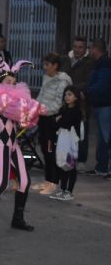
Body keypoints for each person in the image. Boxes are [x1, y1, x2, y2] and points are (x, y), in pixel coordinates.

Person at [0, 58, 45, 233]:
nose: (11, 85)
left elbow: (21, 118)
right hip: (3, 145)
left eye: (14, 83)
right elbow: (17, 112)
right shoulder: (0, 99)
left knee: (25, 182)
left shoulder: (13, 100)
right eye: (7, 82)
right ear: (0, 83)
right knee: (2, 184)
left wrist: (29, 116)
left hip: (13, 145)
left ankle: (17, 219)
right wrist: (31, 111)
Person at [33, 53, 72, 194]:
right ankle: (47, 180)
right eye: (44, 64)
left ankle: (54, 182)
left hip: (52, 120)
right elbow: (41, 95)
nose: (45, 68)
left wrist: (44, 111)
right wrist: (34, 107)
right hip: (43, 118)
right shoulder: (46, 78)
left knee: (51, 150)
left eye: (47, 65)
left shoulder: (62, 81)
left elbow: (58, 103)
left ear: (55, 65)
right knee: (44, 149)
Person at [63, 36, 94, 166]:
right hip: (66, 102)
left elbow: (88, 82)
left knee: (81, 132)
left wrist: (72, 89)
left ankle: (81, 160)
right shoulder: (66, 60)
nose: (77, 50)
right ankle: (67, 158)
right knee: (66, 131)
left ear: (85, 48)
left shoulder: (89, 62)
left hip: (82, 104)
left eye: (80, 47)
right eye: (75, 46)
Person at [50, 85, 83, 201]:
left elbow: (66, 123)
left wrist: (59, 120)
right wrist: (59, 120)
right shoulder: (63, 109)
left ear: (76, 97)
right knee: (63, 164)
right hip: (62, 141)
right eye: (65, 94)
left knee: (71, 166)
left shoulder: (77, 112)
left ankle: (69, 191)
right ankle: (62, 189)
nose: (66, 97)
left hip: (71, 143)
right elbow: (55, 123)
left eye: (70, 94)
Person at [86, 39, 111, 179]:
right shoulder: (99, 63)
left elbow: (102, 84)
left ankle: (104, 167)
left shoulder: (105, 63)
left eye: (90, 48)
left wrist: (87, 91)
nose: (89, 51)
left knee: (105, 138)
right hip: (100, 105)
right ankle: (101, 166)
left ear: (96, 49)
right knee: (102, 138)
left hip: (105, 105)